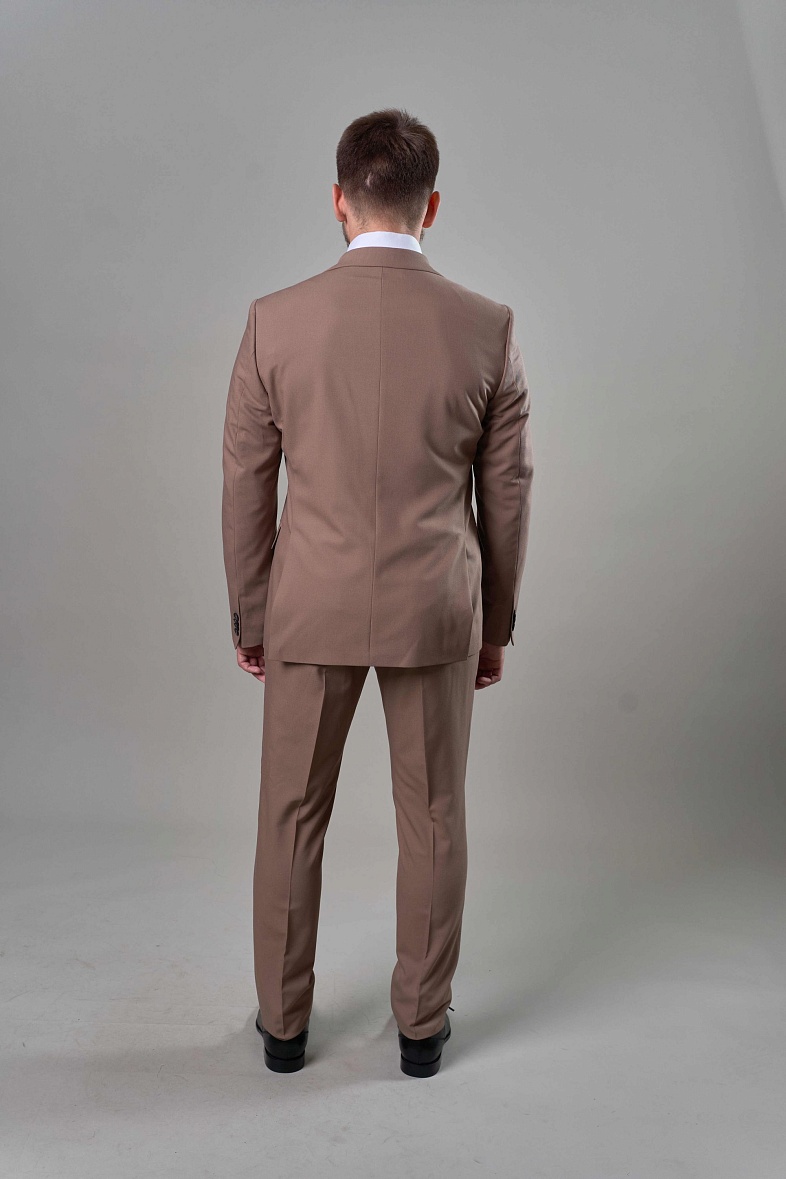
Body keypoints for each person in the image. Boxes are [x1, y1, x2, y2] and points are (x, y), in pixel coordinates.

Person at [221, 107, 534, 1077]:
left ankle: (283, 1028)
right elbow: (508, 491)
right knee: (434, 817)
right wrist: (494, 623)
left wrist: (253, 613)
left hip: (307, 605)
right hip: (436, 607)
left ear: (338, 200)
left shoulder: (275, 321)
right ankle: (421, 1031)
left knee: (290, 816)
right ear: (430, 206)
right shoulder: (487, 328)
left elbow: (245, 483)